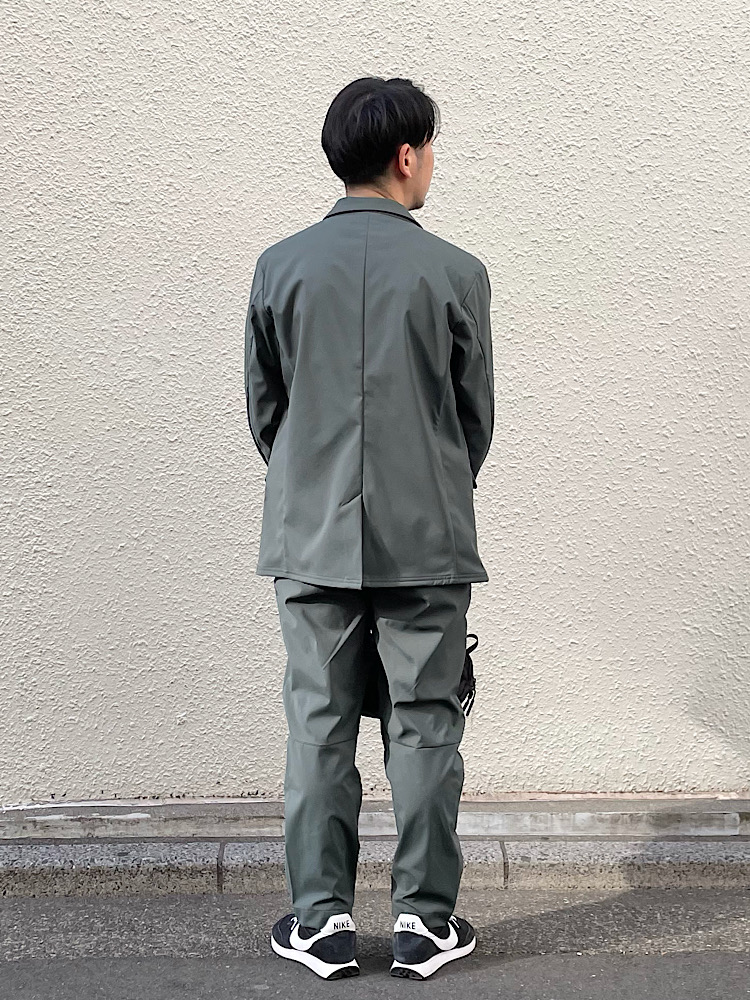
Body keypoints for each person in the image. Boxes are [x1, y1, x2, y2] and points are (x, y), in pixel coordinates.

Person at [244, 76, 494, 981]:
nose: (431, 166)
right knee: (425, 725)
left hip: (310, 537)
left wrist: (314, 484)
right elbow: (474, 419)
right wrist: (429, 483)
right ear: (405, 155)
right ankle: (426, 923)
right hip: (425, 537)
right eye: (429, 151)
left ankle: (321, 923)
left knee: (319, 726)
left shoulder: (280, 267)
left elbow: (266, 410)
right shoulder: (456, 272)